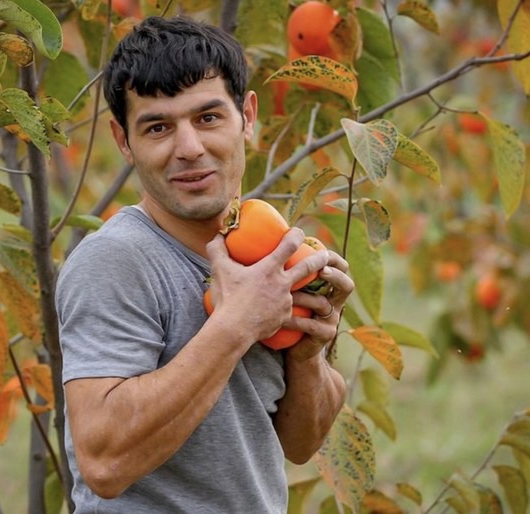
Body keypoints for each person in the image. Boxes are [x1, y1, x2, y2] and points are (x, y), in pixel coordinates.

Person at [55, 15, 354, 514]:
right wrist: (237, 324)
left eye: (208, 118)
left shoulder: (268, 255)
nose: (189, 148)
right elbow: (104, 464)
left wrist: (308, 356)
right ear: (124, 141)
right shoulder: (116, 260)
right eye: (158, 128)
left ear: (248, 117)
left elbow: (301, 445)